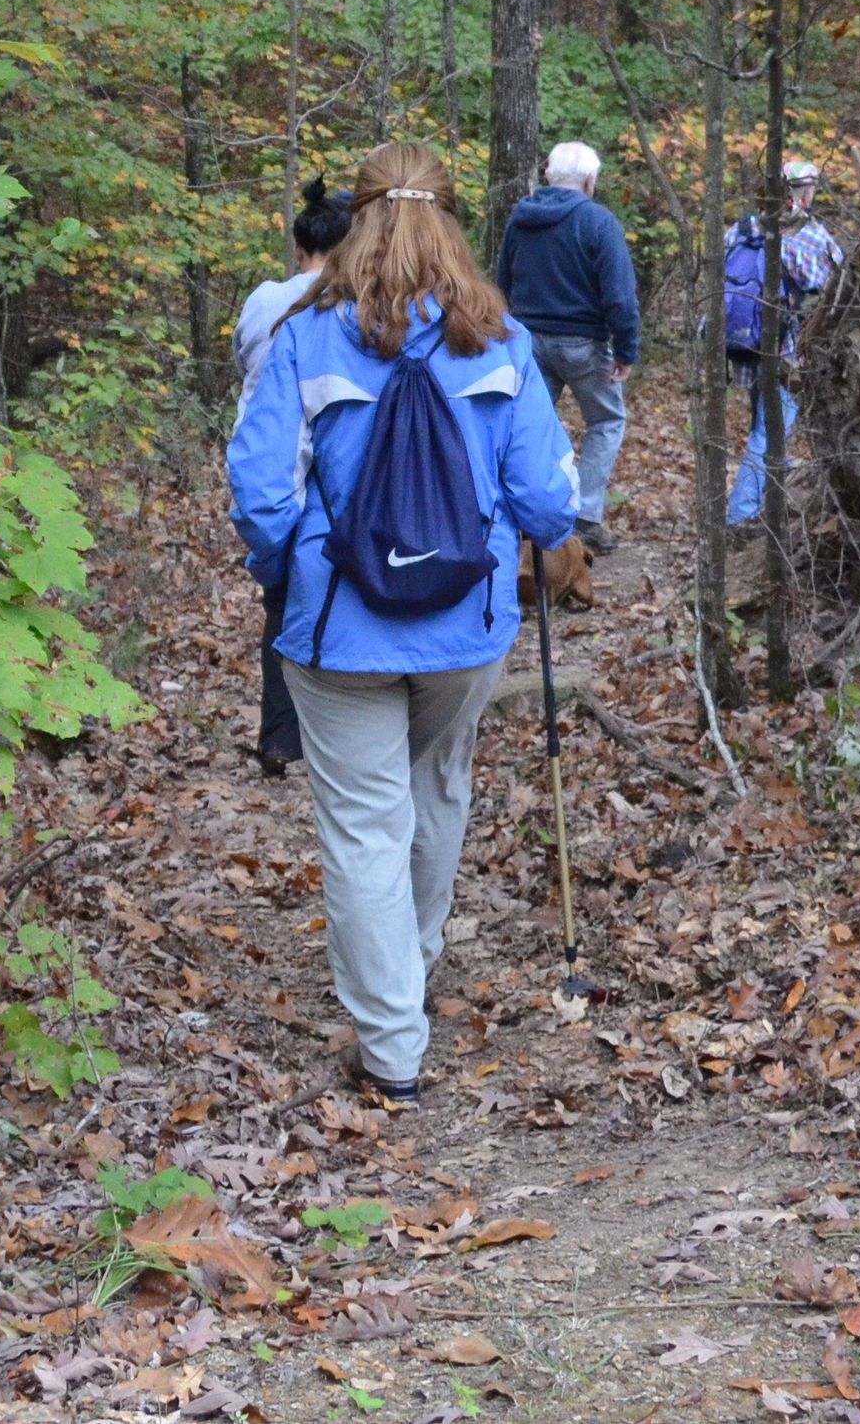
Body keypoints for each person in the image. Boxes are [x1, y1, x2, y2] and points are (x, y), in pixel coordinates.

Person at [229, 142, 580, 1103]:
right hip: (466, 625)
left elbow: (262, 498)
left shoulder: (307, 337)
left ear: (358, 218)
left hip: (339, 626)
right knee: (434, 786)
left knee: (362, 823)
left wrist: (288, 571)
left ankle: (392, 1041)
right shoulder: (499, 339)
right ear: (450, 224)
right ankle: (412, 962)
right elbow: (550, 504)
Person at [232, 180, 356, 777]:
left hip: (265, 464)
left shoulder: (264, 300)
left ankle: (279, 739)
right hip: (328, 469)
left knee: (279, 606)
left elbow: (243, 362)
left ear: (301, 244)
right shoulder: (353, 301)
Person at [494, 141, 639, 541]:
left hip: (527, 342)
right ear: (590, 181)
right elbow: (619, 297)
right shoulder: (598, 222)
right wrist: (626, 351)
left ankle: (522, 513)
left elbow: (501, 283)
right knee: (607, 421)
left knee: (527, 427)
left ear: (548, 176)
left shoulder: (520, 220)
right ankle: (585, 518)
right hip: (584, 344)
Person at [726, 159, 841, 525]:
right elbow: (837, 283)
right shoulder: (809, 236)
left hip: (744, 343)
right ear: (803, 192)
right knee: (770, 431)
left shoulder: (742, 229)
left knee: (762, 422)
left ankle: (764, 497)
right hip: (785, 348)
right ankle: (741, 514)